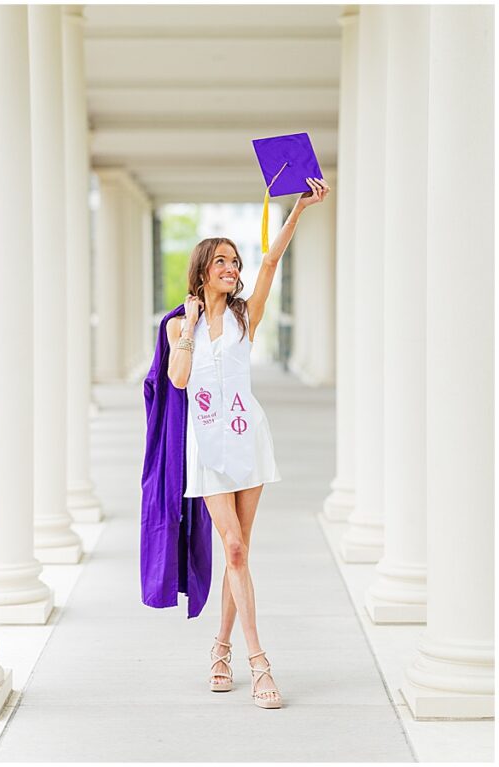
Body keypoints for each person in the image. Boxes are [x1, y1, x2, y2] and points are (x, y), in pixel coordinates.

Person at [141, 177, 330, 709]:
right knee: (235, 547)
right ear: (203, 269)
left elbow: (271, 263)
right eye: (222, 262)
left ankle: (221, 648)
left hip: (248, 438)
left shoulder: (247, 315)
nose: (233, 269)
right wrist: (191, 323)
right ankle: (259, 661)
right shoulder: (182, 322)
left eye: (235, 263)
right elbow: (177, 381)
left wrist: (298, 208)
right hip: (205, 444)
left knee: (237, 553)